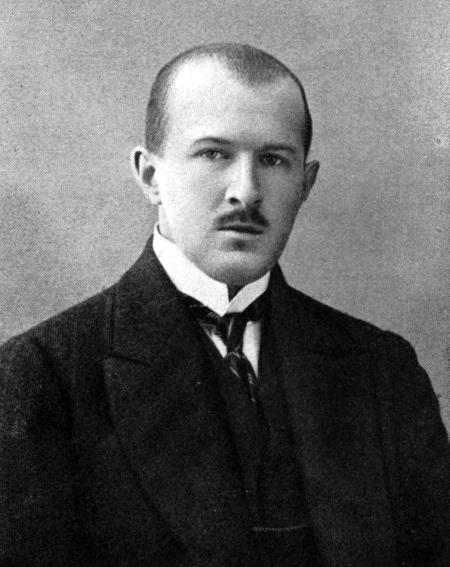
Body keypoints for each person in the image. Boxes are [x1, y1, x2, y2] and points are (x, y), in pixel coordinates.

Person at [0, 43, 448, 567]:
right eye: (214, 154)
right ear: (150, 176)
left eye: (273, 160)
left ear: (305, 183)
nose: (247, 191)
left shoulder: (383, 371)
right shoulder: (40, 378)